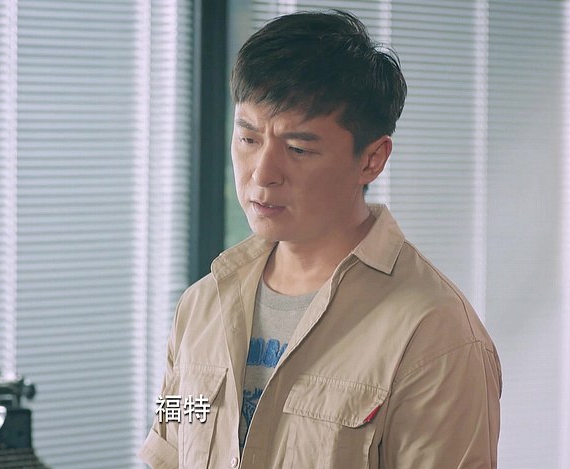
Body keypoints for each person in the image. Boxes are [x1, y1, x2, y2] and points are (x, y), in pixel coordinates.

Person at [139, 9, 501, 469]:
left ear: (371, 160)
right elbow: (172, 446)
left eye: (298, 149)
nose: (262, 175)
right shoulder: (201, 305)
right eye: (248, 139)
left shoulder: (435, 334)